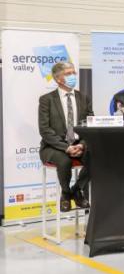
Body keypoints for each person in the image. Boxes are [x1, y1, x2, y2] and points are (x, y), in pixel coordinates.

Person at [39, 62, 93, 212]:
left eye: (73, 73)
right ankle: (65, 192)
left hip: (79, 144)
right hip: (53, 147)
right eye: (68, 74)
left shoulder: (83, 98)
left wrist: (81, 144)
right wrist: (66, 147)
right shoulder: (47, 100)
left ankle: (76, 189)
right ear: (58, 79)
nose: (73, 76)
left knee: (97, 158)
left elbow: (90, 125)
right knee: (64, 160)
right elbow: (45, 130)